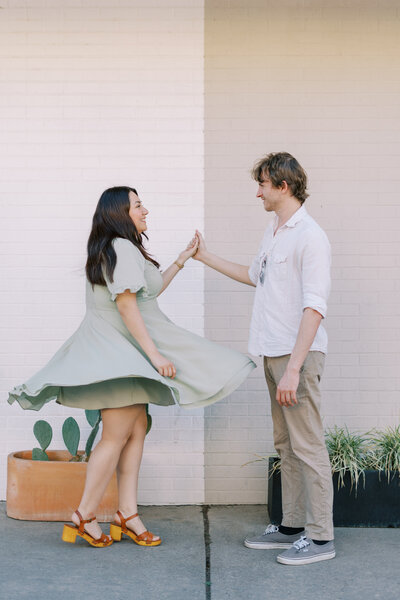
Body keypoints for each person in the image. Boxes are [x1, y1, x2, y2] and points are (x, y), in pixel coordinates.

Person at [8, 186, 255, 548]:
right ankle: (84, 515)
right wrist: (155, 356)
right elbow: (126, 306)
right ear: (120, 213)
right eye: (138, 205)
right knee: (115, 436)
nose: (145, 211)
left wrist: (183, 259)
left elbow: (145, 296)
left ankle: (127, 513)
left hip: (121, 354)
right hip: (118, 356)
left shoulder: (120, 248)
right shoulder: (121, 247)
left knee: (136, 429)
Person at [193, 152, 335, 565]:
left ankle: (322, 539)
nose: (258, 193)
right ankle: (291, 526)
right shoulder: (274, 231)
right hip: (272, 352)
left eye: (262, 185)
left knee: (308, 447)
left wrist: (293, 369)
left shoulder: (310, 236)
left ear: (283, 186)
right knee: (286, 445)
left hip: (297, 358)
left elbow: (315, 308)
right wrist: (204, 257)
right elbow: (254, 276)